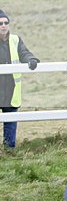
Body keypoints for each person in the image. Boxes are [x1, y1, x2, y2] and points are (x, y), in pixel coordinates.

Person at [0, 10, 39, 150]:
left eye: (6, 23)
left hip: (11, 90)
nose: (3, 26)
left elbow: (24, 53)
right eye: (0, 23)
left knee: (10, 124)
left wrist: (32, 60)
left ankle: (9, 151)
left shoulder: (15, 40)